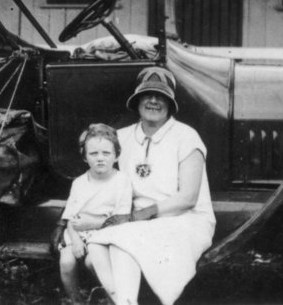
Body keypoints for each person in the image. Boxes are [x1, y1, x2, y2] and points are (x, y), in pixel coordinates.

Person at [85, 67, 216, 305]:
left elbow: (188, 198)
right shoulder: (121, 138)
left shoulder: (186, 136)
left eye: (161, 96)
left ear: (170, 104)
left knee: (121, 242)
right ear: (137, 102)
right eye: (147, 95)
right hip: (135, 223)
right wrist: (67, 224)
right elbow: (100, 184)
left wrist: (137, 217)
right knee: (98, 250)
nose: (154, 101)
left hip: (184, 219)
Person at [53, 124, 133, 305]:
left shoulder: (122, 181)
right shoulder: (80, 183)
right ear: (84, 157)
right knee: (66, 261)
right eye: (93, 154)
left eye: (106, 153)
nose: (100, 159)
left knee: (92, 262)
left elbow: (122, 219)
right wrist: (76, 240)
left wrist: (93, 224)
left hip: (105, 232)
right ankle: (75, 300)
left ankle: (110, 298)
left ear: (116, 155)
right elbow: (71, 218)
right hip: (78, 232)